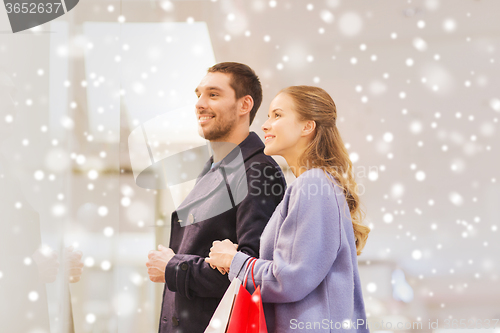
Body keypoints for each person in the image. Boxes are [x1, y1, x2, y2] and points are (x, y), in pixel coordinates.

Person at [206, 86, 371, 332]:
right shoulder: (314, 185)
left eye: (277, 115)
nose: (265, 125)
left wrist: (234, 261)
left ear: (307, 126)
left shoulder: (313, 184)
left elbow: (290, 279)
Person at [146, 62, 286, 333]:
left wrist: (172, 268)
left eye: (213, 94)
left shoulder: (257, 171)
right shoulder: (214, 168)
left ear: (244, 105)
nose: (199, 103)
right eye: (198, 94)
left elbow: (252, 273)